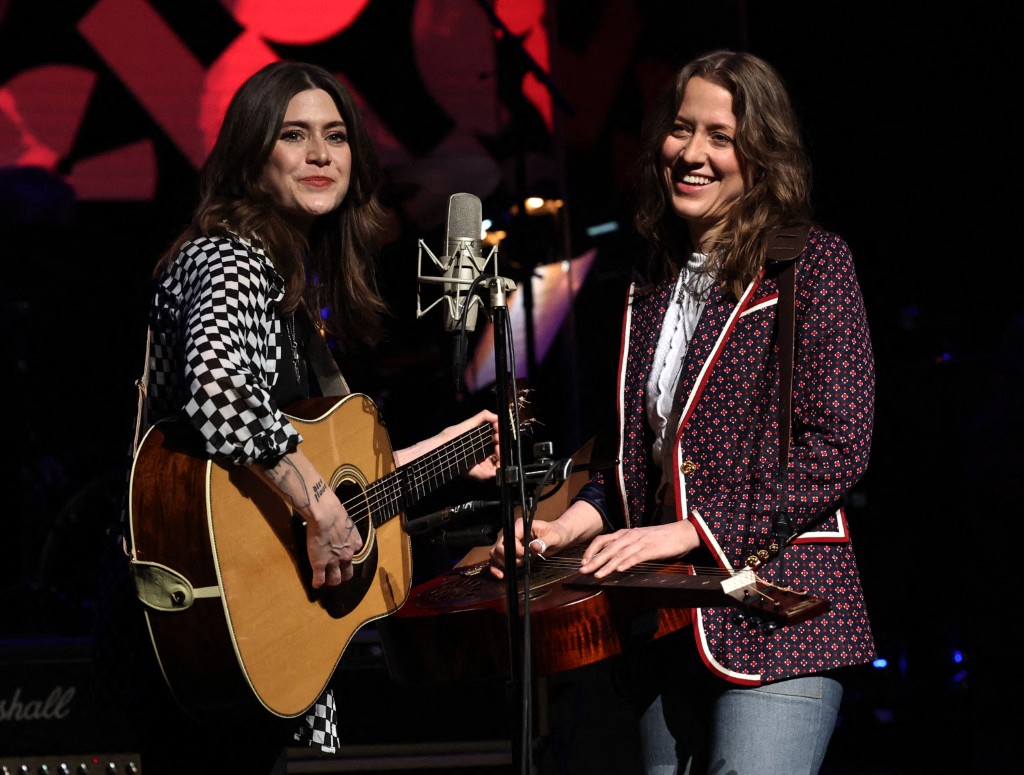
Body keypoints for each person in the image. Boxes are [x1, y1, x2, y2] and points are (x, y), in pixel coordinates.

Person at [94, 60, 500, 774]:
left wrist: (442, 451)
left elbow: (316, 479)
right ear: (252, 155)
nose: (320, 154)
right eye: (294, 135)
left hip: (235, 617)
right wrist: (320, 505)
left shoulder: (279, 273)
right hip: (201, 614)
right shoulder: (231, 259)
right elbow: (220, 394)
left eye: (336, 137)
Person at [488, 49, 876, 774]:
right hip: (663, 620)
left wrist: (692, 530)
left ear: (762, 153)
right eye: (680, 128)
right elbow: (642, 459)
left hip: (776, 616)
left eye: (720, 136)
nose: (692, 153)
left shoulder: (810, 262)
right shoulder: (652, 281)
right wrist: (571, 523)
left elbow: (837, 448)